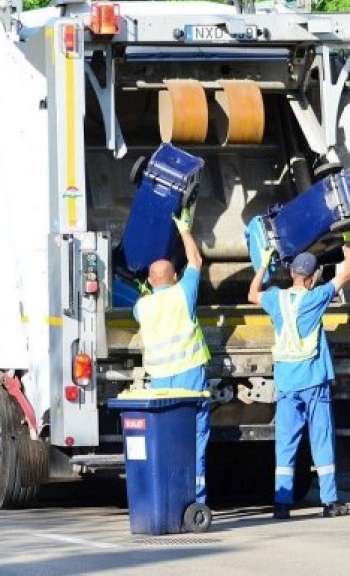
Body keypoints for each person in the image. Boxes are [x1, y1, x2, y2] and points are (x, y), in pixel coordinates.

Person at [247, 229, 350, 519]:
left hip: (286, 382)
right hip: (313, 381)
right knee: (320, 438)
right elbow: (347, 273)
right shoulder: (316, 298)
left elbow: (251, 294)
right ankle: (330, 501)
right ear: (312, 276)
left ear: (293, 274)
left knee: (286, 442)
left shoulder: (276, 299)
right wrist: (348, 240)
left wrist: (263, 263)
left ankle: (281, 503)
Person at [133, 207, 211, 504]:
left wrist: (146, 291)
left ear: (151, 282)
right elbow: (196, 260)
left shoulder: (143, 307)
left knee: (165, 441)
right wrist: (184, 230)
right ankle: (196, 502)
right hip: (191, 377)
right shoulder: (184, 292)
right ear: (175, 276)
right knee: (195, 441)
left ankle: (167, 498)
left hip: (161, 384)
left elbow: (141, 305)